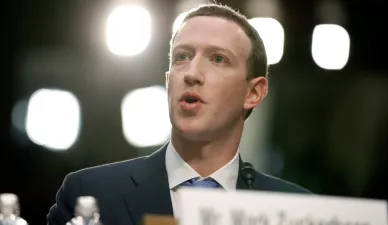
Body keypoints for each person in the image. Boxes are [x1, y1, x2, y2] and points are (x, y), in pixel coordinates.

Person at [47, 3, 311, 225]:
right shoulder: (91, 192)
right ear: (167, 79)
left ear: (253, 93)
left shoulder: (297, 211)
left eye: (218, 59)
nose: (192, 74)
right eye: (182, 57)